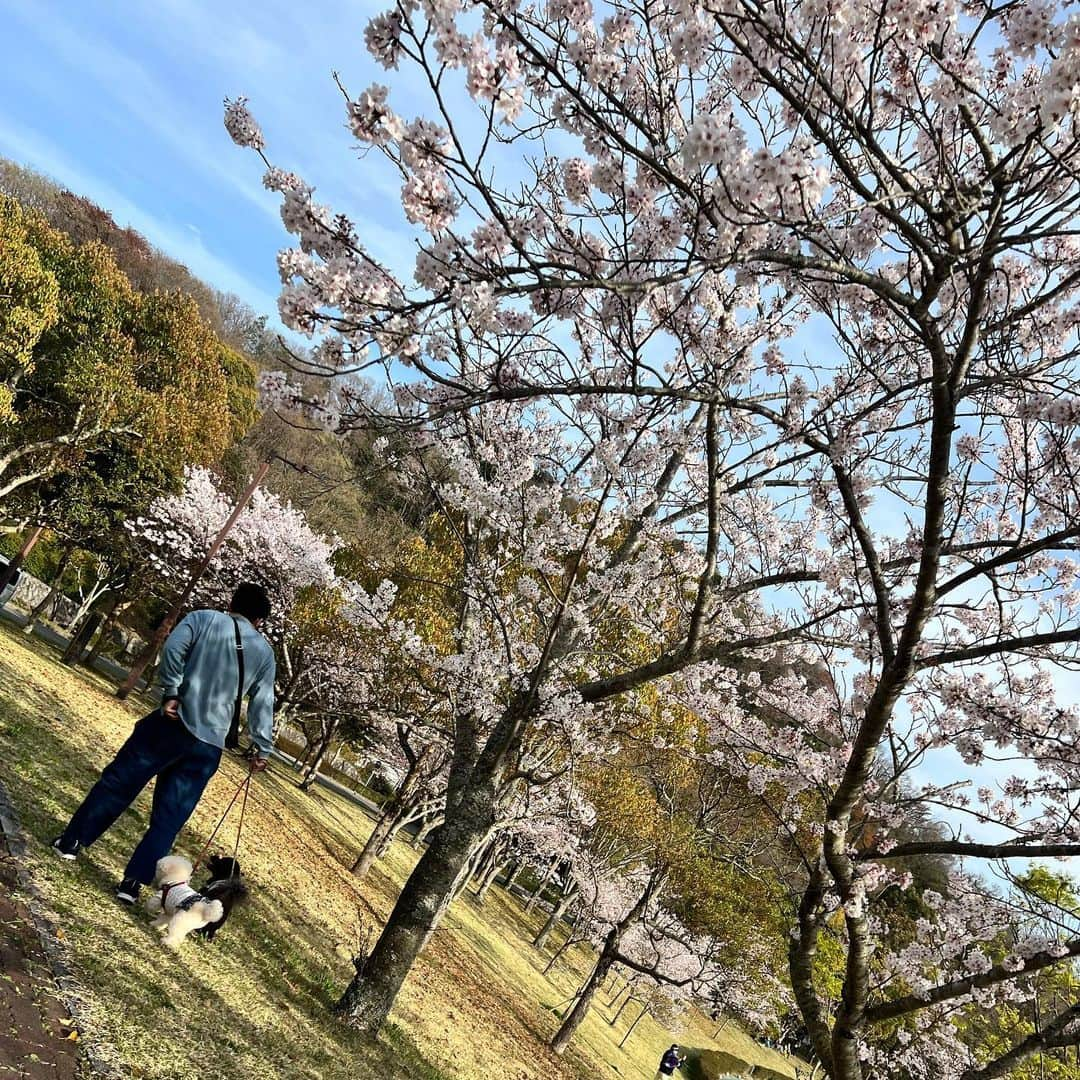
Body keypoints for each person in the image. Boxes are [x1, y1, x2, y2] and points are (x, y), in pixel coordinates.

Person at [51, 583, 276, 905]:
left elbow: (172, 649)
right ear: (260, 620)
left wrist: (171, 690)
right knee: (169, 819)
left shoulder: (203, 619)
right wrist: (262, 747)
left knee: (118, 784)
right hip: (207, 745)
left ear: (232, 603)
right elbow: (262, 703)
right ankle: (131, 884)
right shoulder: (265, 654)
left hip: (171, 723)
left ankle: (71, 842)